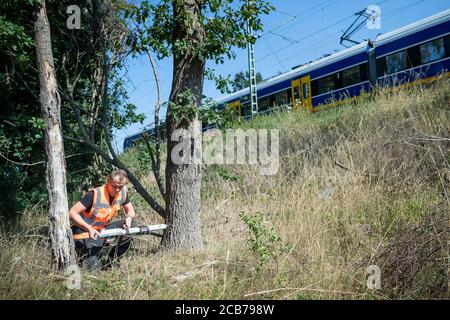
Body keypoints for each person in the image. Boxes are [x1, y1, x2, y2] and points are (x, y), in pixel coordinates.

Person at [69, 169, 137, 271]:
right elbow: (72, 213)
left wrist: (129, 218)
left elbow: (130, 210)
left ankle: (113, 260)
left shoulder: (123, 192)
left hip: (102, 230)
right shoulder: (94, 194)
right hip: (85, 233)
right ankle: (84, 254)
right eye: (115, 186)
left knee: (133, 226)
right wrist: (89, 228)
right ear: (108, 180)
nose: (118, 189)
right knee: (95, 268)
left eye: (121, 186)